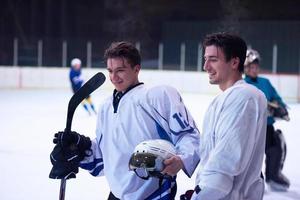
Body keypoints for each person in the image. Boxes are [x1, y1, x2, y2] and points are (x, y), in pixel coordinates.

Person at [50, 41, 201, 199]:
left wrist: (182, 160)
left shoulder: (157, 97)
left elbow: (189, 135)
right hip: (116, 195)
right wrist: (80, 146)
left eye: (120, 70)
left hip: (154, 194)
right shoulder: (106, 106)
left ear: (137, 69)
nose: (114, 77)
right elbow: (105, 159)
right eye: (110, 71)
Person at [181, 32, 268, 200]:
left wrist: (201, 197)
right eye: (205, 59)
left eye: (213, 59)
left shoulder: (243, 97)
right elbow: (213, 153)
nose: (205, 66)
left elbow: (224, 164)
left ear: (234, 62)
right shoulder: (225, 98)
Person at [244, 48, 290, 191]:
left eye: (256, 67)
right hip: (252, 130)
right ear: (245, 68)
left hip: (268, 127)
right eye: (251, 67)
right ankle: (250, 180)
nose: (255, 69)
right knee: (250, 157)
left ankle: (273, 174)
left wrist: (280, 107)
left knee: (277, 145)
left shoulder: (265, 82)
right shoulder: (243, 85)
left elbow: (277, 99)